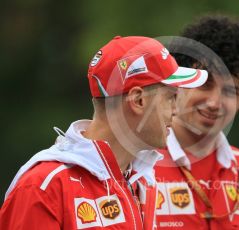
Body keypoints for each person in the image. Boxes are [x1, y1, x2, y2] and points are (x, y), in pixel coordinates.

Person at [0, 35, 208, 229]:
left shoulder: (143, 179)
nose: (177, 110)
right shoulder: (44, 187)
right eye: (171, 97)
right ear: (138, 101)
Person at [154, 15, 239, 229]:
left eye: (231, 91)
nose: (214, 102)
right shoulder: (138, 164)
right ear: (179, 85)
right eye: (205, 84)